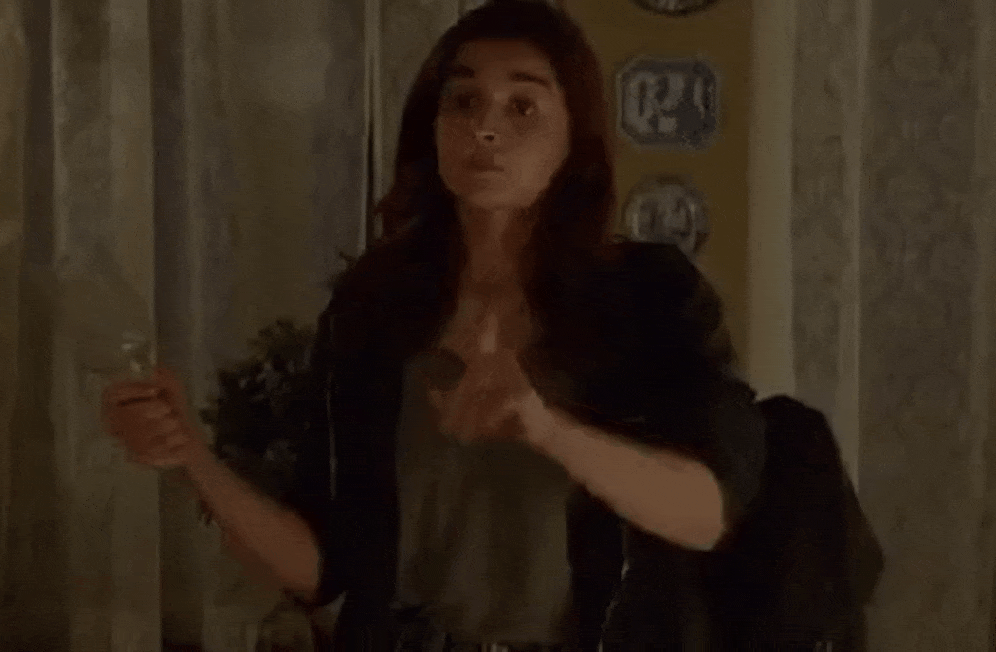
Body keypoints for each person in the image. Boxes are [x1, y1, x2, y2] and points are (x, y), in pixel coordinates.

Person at [102, 1, 766, 649]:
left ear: (574, 140)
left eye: (523, 106)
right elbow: (323, 570)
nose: (485, 127)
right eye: (463, 100)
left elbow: (706, 514)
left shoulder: (650, 294)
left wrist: (545, 429)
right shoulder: (374, 306)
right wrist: (192, 459)